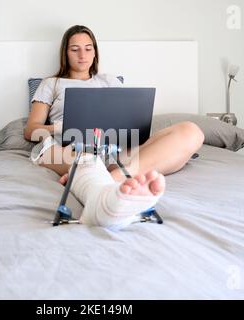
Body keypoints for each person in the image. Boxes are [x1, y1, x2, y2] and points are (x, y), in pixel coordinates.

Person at [24, 25, 204, 230]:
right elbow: (31, 130)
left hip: (113, 145)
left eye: (88, 48)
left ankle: (113, 180)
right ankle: (106, 200)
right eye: (75, 49)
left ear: (95, 52)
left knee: (192, 132)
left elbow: (125, 116)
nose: (82, 54)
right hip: (68, 145)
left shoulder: (109, 81)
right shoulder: (51, 84)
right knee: (87, 157)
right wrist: (61, 127)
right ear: (65, 53)